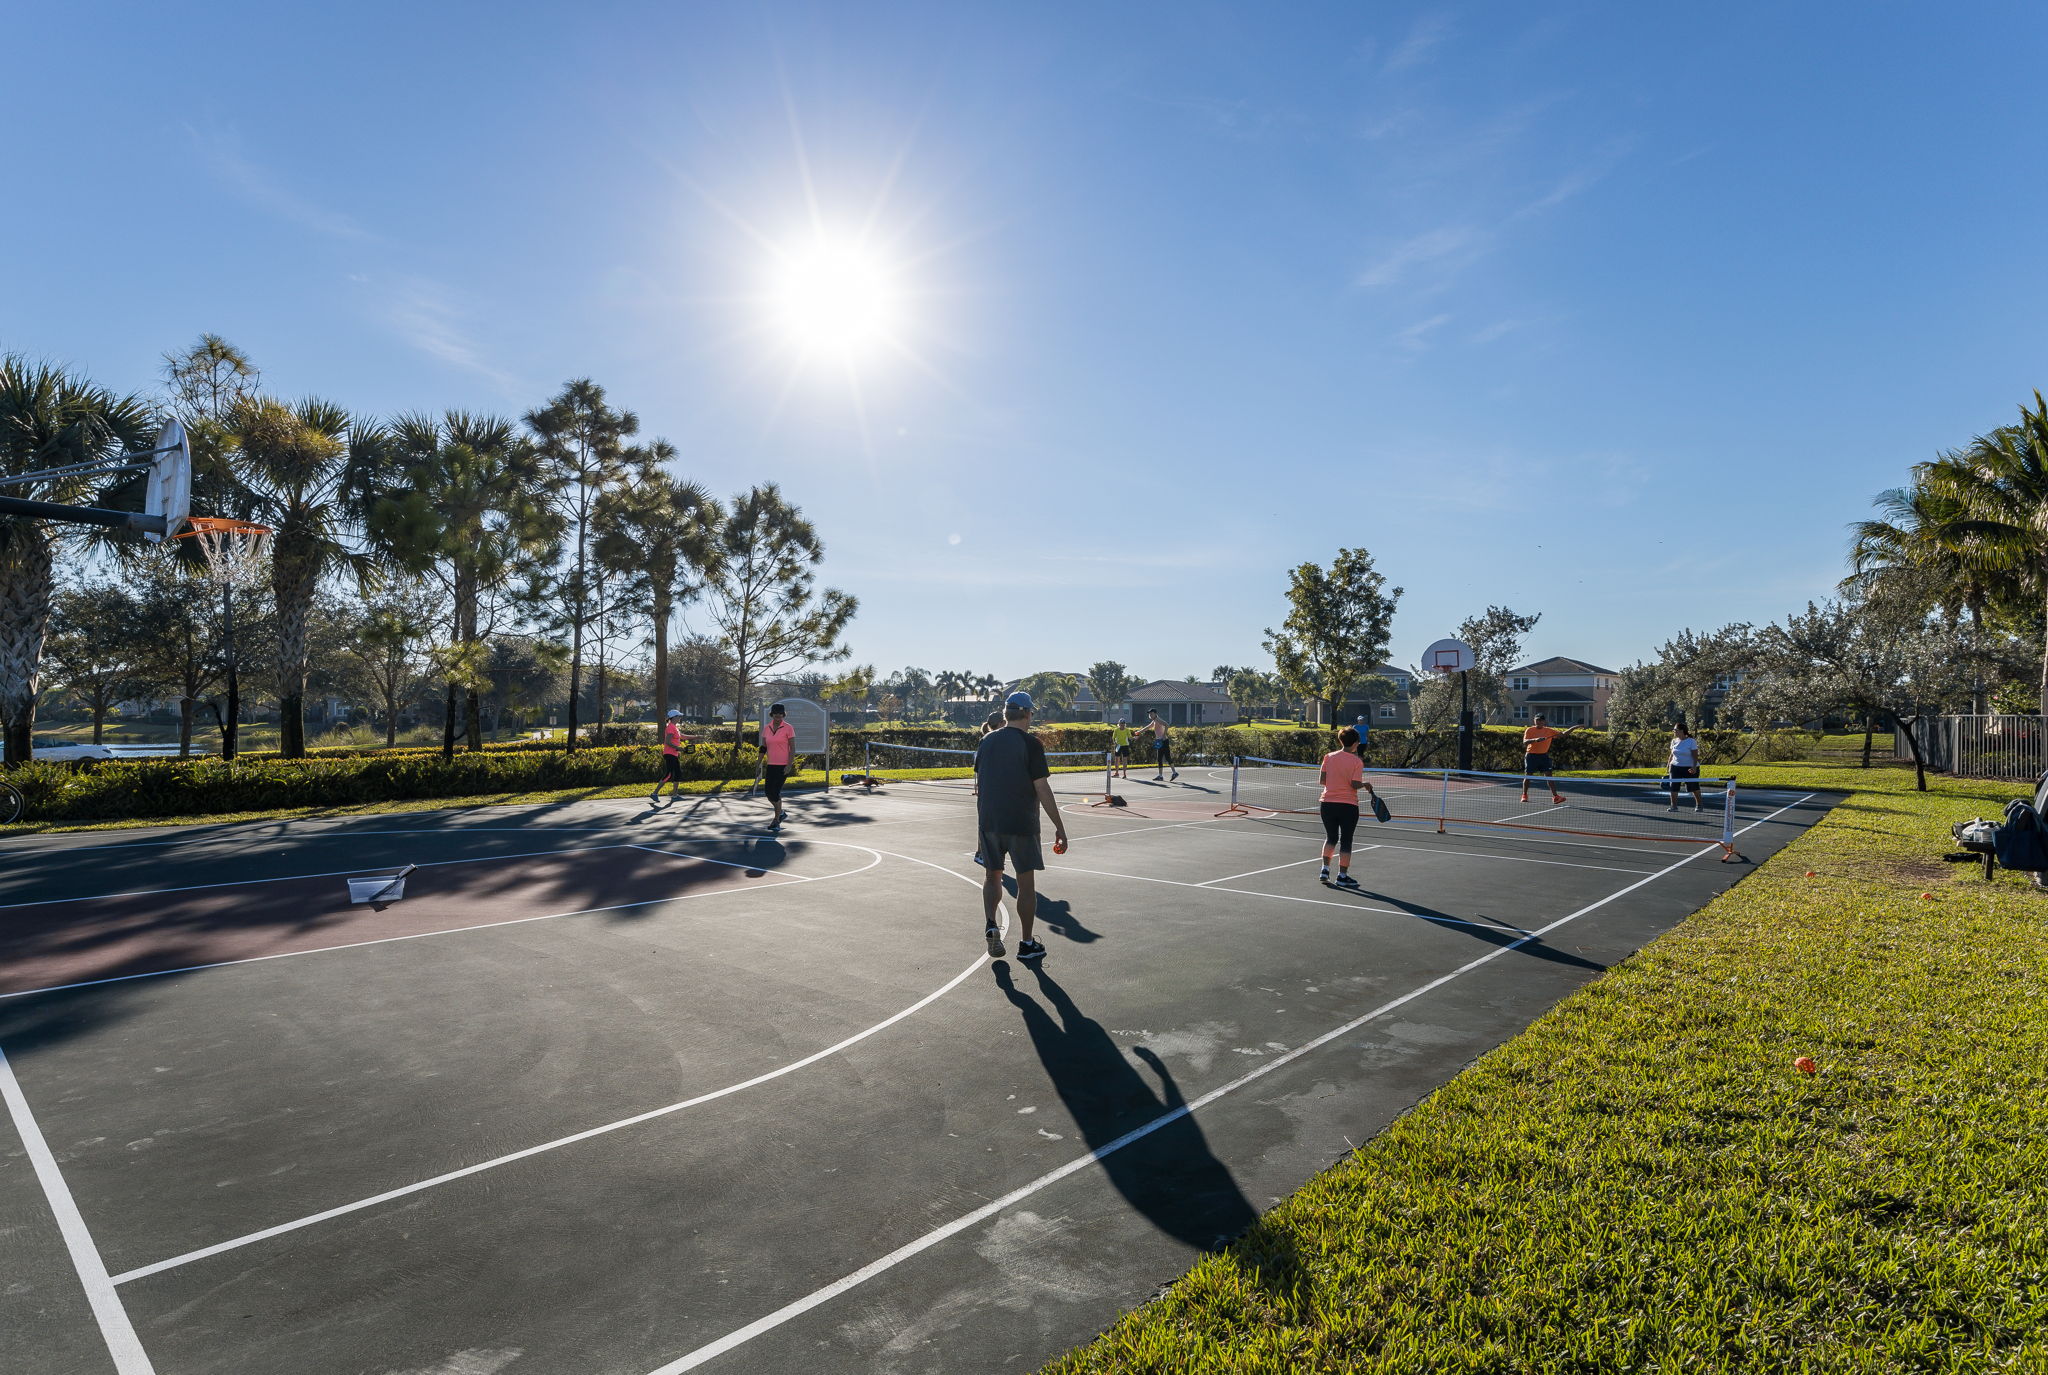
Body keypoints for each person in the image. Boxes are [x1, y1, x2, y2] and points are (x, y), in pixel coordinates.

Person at [974, 690, 1067, 962]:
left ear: (1005, 714)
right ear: (1027, 714)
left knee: (992, 876)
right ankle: (1026, 943)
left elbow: (981, 788)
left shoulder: (987, 741)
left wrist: (981, 828)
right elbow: (1042, 788)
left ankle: (991, 923)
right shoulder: (1031, 744)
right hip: (1021, 824)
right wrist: (1059, 827)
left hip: (989, 821)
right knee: (1026, 885)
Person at [1318, 726, 1375, 887]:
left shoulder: (1328, 757)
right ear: (1356, 743)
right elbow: (1354, 784)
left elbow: (1322, 781)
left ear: (1340, 740)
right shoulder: (1357, 761)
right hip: (1348, 806)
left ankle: (1324, 869)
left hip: (1327, 804)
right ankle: (1342, 876)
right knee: (1346, 840)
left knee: (1331, 838)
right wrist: (1365, 784)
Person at [1519, 713, 1582, 804]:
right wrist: (1535, 740)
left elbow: (1563, 734)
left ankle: (1555, 796)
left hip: (1543, 756)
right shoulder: (1529, 730)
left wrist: (1574, 728)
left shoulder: (1549, 731)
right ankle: (1524, 795)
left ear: (1544, 721)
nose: (1539, 722)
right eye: (1537, 720)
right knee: (1528, 776)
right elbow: (1525, 742)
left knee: (1549, 776)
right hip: (1531, 755)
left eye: (1541, 720)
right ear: (1534, 721)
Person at [649, 708, 700, 806]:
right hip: (669, 754)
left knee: (677, 774)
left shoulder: (674, 727)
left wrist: (696, 737)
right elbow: (667, 742)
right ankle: (655, 793)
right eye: (678, 716)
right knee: (669, 774)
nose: (680, 717)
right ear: (673, 717)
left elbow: (682, 736)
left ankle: (675, 795)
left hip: (674, 754)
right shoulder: (670, 728)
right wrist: (678, 748)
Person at [759, 702, 796, 830]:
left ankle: (776, 820)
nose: (778, 718)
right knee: (768, 793)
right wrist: (758, 762)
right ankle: (780, 813)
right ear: (772, 715)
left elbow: (792, 748)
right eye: (776, 715)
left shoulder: (788, 728)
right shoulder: (767, 728)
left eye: (781, 715)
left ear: (783, 715)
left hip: (783, 765)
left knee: (775, 792)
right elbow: (763, 747)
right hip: (771, 764)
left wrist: (789, 764)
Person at [1667, 723, 1706, 811]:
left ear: (1681, 731)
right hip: (1675, 767)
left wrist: (1694, 767)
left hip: (1689, 767)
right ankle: (1674, 806)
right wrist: (1669, 765)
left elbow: (1695, 755)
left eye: (1675, 730)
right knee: (1673, 787)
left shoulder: (1691, 741)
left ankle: (1699, 805)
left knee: (1693, 787)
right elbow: (1672, 754)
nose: (1674, 732)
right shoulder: (1674, 741)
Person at [1144, 708, 1178, 782]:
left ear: (1155, 714)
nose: (1150, 715)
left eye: (1151, 713)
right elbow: (1148, 727)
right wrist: (1138, 732)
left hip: (1164, 741)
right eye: (1149, 713)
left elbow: (1166, 724)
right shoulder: (1154, 721)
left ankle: (1174, 773)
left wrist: (1163, 735)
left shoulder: (1158, 719)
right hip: (1159, 741)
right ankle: (1160, 776)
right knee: (1159, 759)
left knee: (1167, 758)